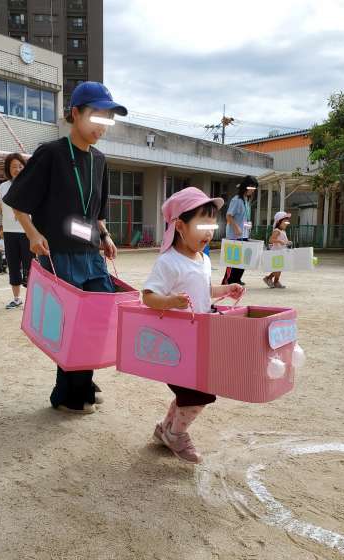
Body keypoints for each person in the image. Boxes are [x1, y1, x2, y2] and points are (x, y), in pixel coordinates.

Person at [3, 81, 128, 414]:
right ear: (75, 113)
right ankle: (71, 392)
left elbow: (96, 213)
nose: (102, 126)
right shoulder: (51, 153)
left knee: (96, 318)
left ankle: (78, 384)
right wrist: (32, 234)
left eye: (108, 120)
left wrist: (105, 236)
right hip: (58, 255)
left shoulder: (100, 160)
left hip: (91, 254)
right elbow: (18, 203)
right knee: (70, 325)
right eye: (96, 117)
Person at [142, 187, 244, 464]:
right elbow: (148, 296)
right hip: (177, 344)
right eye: (202, 226)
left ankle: (165, 429)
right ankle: (176, 435)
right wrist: (170, 301)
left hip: (200, 341)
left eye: (212, 226)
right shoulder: (168, 262)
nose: (209, 233)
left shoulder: (204, 259)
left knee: (189, 393)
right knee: (198, 394)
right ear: (179, 226)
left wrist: (227, 289)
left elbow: (203, 290)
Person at [0, 153, 33, 308]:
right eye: (14, 166)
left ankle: (32, 299)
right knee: (13, 265)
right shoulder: (3, 187)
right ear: (8, 169)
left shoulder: (30, 184)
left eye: (20, 166)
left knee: (30, 267)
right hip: (9, 232)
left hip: (28, 231)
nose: (17, 169)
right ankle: (16, 299)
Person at [222, 175, 258, 286]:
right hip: (235, 235)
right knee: (234, 260)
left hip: (244, 234)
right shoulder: (236, 200)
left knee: (243, 259)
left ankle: (236, 279)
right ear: (245, 186)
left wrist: (248, 225)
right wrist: (236, 227)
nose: (253, 190)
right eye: (251, 187)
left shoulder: (246, 200)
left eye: (254, 188)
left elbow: (243, 218)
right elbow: (228, 216)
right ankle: (228, 281)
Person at [263, 211, 292, 289]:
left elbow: (283, 241)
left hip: (281, 252)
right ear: (279, 222)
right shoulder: (277, 231)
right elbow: (271, 240)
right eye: (285, 221)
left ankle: (275, 281)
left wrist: (287, 242)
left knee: (280, 268)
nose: (287, 223)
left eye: (287, 221)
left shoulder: (282, 231)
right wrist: (279, 241)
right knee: (277, 269)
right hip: (276, 252)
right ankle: (269, 278)